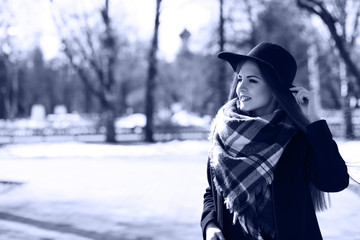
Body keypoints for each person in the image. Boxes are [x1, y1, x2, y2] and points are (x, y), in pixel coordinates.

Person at [201, 42, 349, 240]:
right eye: (239, 79)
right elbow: (213, 190)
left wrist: (316, 121)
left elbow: (335, 181)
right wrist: (210, 225)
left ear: (274, 88)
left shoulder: (297, 138)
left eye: (252, 81)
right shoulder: (222, 132)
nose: (241, 87)